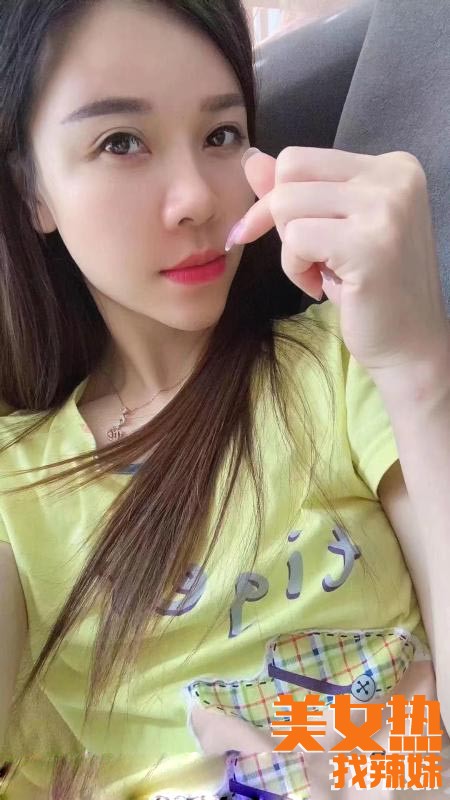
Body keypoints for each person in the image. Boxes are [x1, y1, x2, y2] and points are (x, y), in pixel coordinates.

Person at [0, 1, 449, 798]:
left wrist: (416, 361)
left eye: (221, 135)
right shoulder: (16, 481)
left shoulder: (343, 363)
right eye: (120, 141)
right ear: (32, 189)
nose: (197, 201)